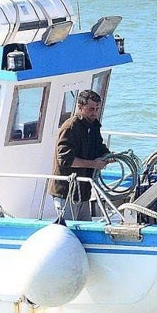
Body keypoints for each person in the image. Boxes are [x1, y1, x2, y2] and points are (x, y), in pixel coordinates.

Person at [52, 89, 112, 221]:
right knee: (68, 229)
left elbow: (99, 147)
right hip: (66, 192)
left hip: (84, 192)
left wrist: (108, 156)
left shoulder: (93, 126)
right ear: (80, 107)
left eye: (97, 109)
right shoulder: (70, 127)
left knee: (85, 228)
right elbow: (65, 160)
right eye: (91, 109)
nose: (94, 113)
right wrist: (94, 164)